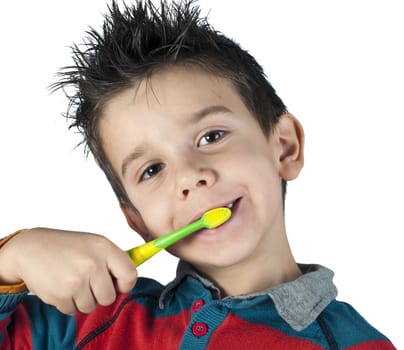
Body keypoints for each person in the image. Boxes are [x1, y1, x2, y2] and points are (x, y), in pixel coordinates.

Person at [0, 1, 396, 349]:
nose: (189, 176)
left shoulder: (358, 345)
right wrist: (13, 258)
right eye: (152, 169)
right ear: (137, 221)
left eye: (211, 136)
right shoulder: (89, 321)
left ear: (285, 147)